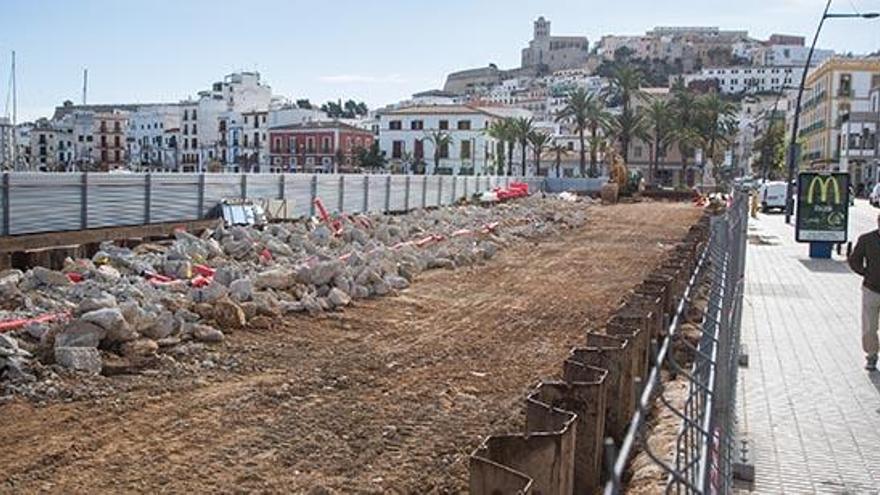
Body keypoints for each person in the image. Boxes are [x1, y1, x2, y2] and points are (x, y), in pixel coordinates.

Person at [847, 213, 880, 370]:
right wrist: (865, 272)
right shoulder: (867, 239)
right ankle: (871, 355)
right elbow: (854, 260)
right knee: (869, 326)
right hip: (871, 289)